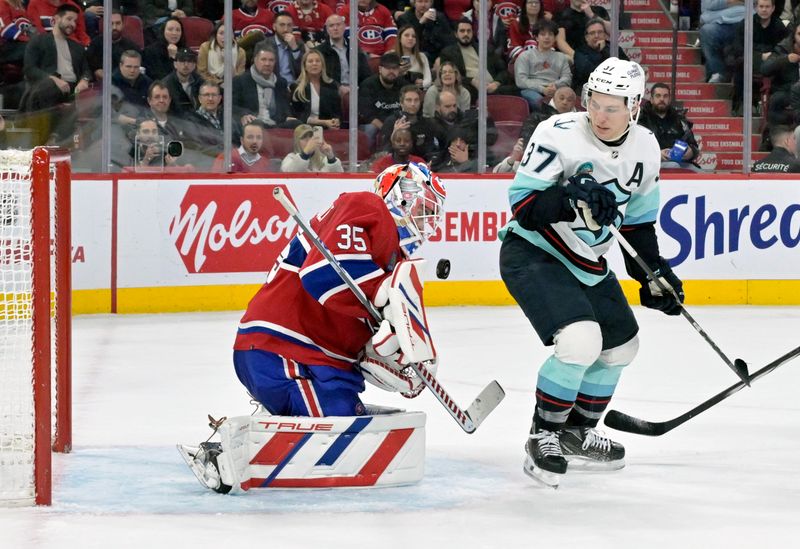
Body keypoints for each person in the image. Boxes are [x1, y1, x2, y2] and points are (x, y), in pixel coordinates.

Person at [498, 58, 684, 488]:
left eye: (613, 108)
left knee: (621, 348)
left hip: (587, 260)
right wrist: (569, 197)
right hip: (534, 252)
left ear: (634, 107)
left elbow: (637, 223)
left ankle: (576, 432)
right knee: (581, 341)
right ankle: (543, 434)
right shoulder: (557, 133)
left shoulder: (646, 147)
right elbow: (524, 209)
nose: (600, 115)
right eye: (595, 103)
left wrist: (654, 274)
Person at [232, 161, 446, 417]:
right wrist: (380, 291)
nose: (427, 219)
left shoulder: (394, 265)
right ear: (399, 195)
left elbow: (368, 340)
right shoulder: (368, 206)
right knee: (343, 435)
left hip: (321, 363)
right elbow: (320, 273)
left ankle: (255, 441)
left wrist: (403, 359)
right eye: (423, 206)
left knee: (361, 427)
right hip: (283, 350)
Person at [21, 3, 90, 143]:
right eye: (69, 19)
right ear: (56, 19)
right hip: (46, 87)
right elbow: (29, 69)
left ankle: (54, 139)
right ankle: (50, 138)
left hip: (71, 89)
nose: (72, 24)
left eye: (75, 21)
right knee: (50, 88)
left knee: (76, 100)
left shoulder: (77, 47)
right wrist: (54, 80)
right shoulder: (38, 41)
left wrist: (85, 80)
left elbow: (86, 70)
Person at [437, 18, 516, 103]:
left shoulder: (485, 49)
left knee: (515, 89)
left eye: (468, 31)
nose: (466, 34)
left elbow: (503, 71)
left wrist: (496, 83)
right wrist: (472, 81)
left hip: (492, 86)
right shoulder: (448, 53)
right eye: (462, 31)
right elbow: (448, 75)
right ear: (456, 34)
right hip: (471, 87)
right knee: (464, 90)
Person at [638, 83, 702, 171]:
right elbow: (632, 149)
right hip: (650, 164)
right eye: (658, 96)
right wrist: (657, 154)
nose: (662, 99)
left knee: (701, 173)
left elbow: (693, 146)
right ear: (651, 99)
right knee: (673, 166)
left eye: (665, 96)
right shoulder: (640, 120)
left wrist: (691, 152)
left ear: (669, 99)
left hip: (681, 163)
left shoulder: (680, 119)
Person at [231, 41, 296, 129]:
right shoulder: (240, 81)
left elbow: (285, 108)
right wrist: (244, 115)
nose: (267, 64)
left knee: (296, 124)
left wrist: (288, 116)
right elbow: (232, 106)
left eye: (271, 60)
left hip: (276, 124)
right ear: (255, 60)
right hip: (253, 124)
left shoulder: (280, 83)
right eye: (263, 59)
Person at [514, 20, 571, 110]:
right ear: (536, 37)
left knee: (568, 97)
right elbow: (521, 81)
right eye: (543, 34)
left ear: (555, 38)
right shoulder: (525, 56)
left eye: (550, 34)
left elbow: (567, 78)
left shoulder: (561, 57)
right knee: (538, 100)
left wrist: (555, 85)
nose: (547, 38)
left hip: (555, 89)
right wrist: (542, 89)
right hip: (532, 90)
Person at [314, 14, 371, 97]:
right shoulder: (319, 51)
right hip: (331, 92)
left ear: (344, 27)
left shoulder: (355, 48)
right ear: (327, 29)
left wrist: (360, 89)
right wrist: (339, 87)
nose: (335, 28)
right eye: (331, 26)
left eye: (338, 24)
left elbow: (365, 74)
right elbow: (321, 77)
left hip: (357, 91)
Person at [358, 52, 406, 144]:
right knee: (371, 129)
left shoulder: (403, 85)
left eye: (395, 68)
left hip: (397, 123)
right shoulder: (368, 85)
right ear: (380, 69)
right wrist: (387, 129)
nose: (391, 71)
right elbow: (368, 116)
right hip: (375, 124)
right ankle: (370, 157)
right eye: (388, 68)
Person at [573, 17, 628, 96]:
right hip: (588, 91)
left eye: (600, 32)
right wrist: (602, 52)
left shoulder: (614, 49)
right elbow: (591, 73)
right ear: (586, 37)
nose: (596, 36)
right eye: (592, 33)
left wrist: (604, 50)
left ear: (605, 35)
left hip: (613, 90)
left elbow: (626, 68)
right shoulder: (580, 52)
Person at [380, 85, 436, 159]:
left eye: (416, 100)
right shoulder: (391, 122)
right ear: (401, 103)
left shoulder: (426, 123)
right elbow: (386, 153)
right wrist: (394, 134)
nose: (413, 104)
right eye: (409, 100)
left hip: (420, 164)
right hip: (396, 165)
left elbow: (430, 150)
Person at [289, 49, 342, 128]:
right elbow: (298, 116)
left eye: (317, 61)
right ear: (305, 66)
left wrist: (336, 121)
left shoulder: (332, 86)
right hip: (305, 128)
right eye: (310, 61)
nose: (314, 64)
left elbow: (337, 112)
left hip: (327, 129)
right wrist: (323, 122)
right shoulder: (296, 87)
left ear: (322, 65)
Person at [86, 9, 142, 81]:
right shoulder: (95, 44)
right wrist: (96, 71)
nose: (114, 27)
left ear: (123, 24)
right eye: (111, 24)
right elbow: (88, 67)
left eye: (118, 23)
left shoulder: (131, 47)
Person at [699, 0, 745, 83]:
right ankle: (720, 73)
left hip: (745, 21)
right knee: (707, 31)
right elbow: (708, 5)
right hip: (718, 22)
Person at [394, 0, 453, 65]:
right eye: (420, 1)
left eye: (426, 1)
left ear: (431, 3)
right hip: (414, 54)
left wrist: (441, 58)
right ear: (414, 3)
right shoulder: (405, 18)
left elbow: (449, 41)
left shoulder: (440, 18)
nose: (423, 5)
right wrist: (421, 22)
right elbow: (408, 41)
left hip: (435, 55)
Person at [197, 21, 246, 87]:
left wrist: (228, 61)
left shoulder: (240, 52)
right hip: (210, 85)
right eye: (221, 33)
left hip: (233, 85)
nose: (225, 37)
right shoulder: (205, 47)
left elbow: (240, 76)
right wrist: (219, 83)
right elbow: (202, 72)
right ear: (215, 35)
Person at [142, 17, 187, 81]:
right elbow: (160, 77)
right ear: (163, 31)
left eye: (178, 30)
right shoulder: (150, 51)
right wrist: (172, 59)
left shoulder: (186, 51)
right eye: (170, 29)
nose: (174, 33)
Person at [162, 48, 202, 116]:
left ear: (194, 65)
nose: (186, 64)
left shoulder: (200, 82)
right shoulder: (166, 84)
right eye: (182, 61)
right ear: (175, 64)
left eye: (189, 61)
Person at [394, 25, 432, 90]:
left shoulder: (421, 56)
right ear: (400, 39)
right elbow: (388, 79)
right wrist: (399, 72)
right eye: (406, 35)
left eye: (413, 36)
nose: (410, 38)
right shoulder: (392, 56)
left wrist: (422, 84)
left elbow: (428, 78)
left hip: (418, 91)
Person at [0, 0, 33, 68]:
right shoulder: (1, 4)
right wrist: (30, 40)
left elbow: (28, 26)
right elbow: (6, 31)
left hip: (20, 41)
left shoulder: (20, 5)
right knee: (35, 47)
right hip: (5, 46)